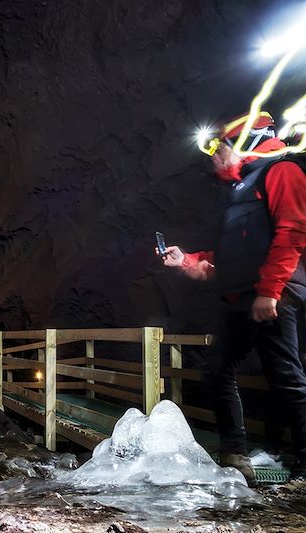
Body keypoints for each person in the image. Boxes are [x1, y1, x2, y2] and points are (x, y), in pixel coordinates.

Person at [159, 112, 306, 486]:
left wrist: (270, 292)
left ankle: (293, 461)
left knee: (286, 379)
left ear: (245, 142)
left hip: (276, 295)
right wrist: (187, 261)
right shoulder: (241, 191)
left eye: (219, 146)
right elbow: (231, 258)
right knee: (222, 371)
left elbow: (291, 232)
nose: (213, 156)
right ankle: (236, 457)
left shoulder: (282, 172)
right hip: (245, 296)